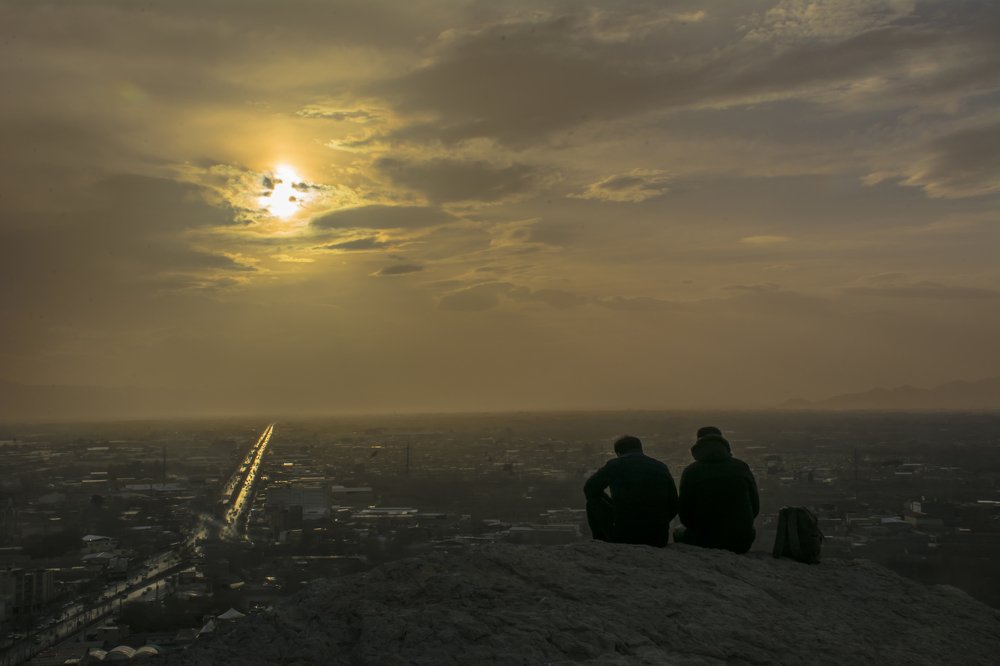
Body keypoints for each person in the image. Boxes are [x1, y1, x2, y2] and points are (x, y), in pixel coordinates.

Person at [674, 426, 759, 554]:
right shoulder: (740, 467)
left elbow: (685, 515)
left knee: (678, 532)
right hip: (741, 540)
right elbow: (755, 508)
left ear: (698, 446)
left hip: (704, 540)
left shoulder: (691, 472)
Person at [583, 435, 678, 547]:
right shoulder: (660, 467)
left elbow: (589, 489)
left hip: (625, 536)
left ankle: (603, 544)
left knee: (592, 502)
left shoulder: (615, 465)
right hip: (658, 538)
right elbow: (673, 504)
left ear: (618, 453)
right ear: (641, 449)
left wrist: (614, 506)